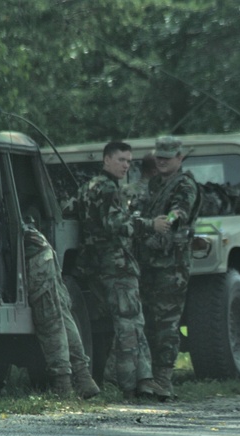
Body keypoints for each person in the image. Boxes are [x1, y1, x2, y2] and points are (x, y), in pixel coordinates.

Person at [74, 141, 168, 400]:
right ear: (106, 160)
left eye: (129, 160)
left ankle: (144, 380)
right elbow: (115, 223)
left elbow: (72, 211)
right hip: (116, 265)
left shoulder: (88, 188)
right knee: (128, 324)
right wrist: (151, 225)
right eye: (121, 160)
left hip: (101, 265)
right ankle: (131, 386)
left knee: (133, 321)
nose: (126, 165)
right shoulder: (106, 188)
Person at [136, 136, 200, 400]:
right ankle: (150, 377)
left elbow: (179, 212)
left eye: (168, 157)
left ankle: (164, 379)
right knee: (149, 321)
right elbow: (139, 210)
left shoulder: (185, 184)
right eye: (159, 156)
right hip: (149, 261)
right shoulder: (153, 184)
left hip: (171, 265)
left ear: (180, 158)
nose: (162, 161)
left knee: (167, 324)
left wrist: (167, 221)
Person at [22, 218, 101, 399]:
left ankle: (63, 384)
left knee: (50, 320)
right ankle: (84, 379)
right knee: (63, 317)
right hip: (43, 253)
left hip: (35, 257)